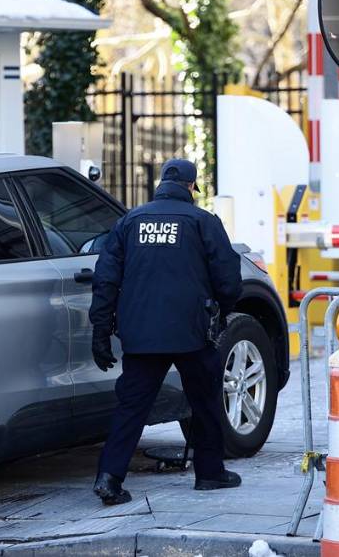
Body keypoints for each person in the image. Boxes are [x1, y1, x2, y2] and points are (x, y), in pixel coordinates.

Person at [90, 158, 244, 505]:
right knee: (204, 402)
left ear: (160, 183)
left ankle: (109, 478)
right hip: (191, 332)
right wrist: (220, 308)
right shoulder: (203, 221)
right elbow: (228, 278)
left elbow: (106, 279)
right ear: (191, 187)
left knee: (131, 407)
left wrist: (101, 328)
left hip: (141, 334)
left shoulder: (129, 221)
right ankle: (209, 473)